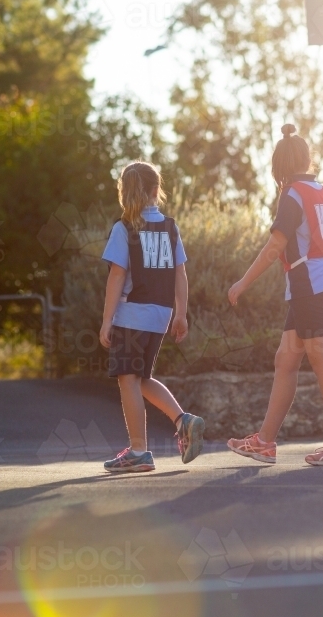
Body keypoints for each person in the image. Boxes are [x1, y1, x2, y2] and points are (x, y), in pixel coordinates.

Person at [226, 124, 323, 466]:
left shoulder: (293, 194)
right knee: (285, 361)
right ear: (306, 158)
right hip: (322, 282)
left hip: (307, 285)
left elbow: (276, 246)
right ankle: (265, 442)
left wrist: (242, 283)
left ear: (280, 165)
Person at [99, 161, 205, 473]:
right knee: (141, 377)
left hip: (131, 314)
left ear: (125, 191)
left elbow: (117, 277)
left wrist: (107, 320)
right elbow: (180, 273)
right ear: (156, 190)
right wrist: (181, 314)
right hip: (161, 314)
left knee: (127, 378)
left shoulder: (124, 228)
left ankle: (138, 451)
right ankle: (182, 419)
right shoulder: (170, 227)